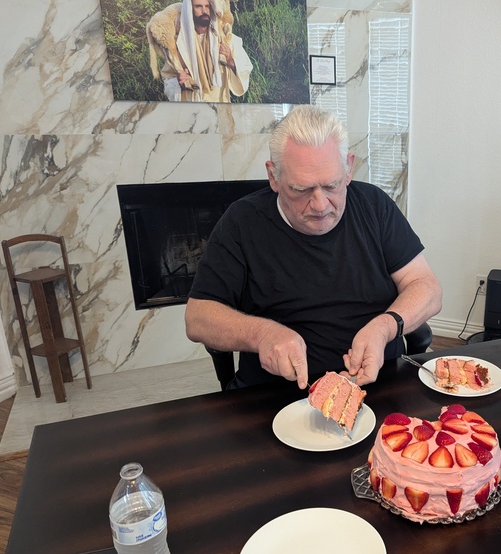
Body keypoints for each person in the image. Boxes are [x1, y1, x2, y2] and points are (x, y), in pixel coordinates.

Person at [185, 105, 442, 389]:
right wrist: (261, 334)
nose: (320, 206)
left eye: (332, 185)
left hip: (378, 383)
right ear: (274, 176)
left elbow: (426, 287)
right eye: (300, 189)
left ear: (348, 169)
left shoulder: (375, 206)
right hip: (275, 396)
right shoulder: (242, 222)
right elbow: (197, 318)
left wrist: (386, 327)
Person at [154, 0, 253, 102]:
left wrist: (230, 61)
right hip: (192, 111)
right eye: (198, 6)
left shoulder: (226, 39)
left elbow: (246, 68)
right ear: (189, 10)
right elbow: (168, 78)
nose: (204, 11)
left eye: (207, 6)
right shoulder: (179, 45)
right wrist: (178, 83)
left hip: (219, 109)